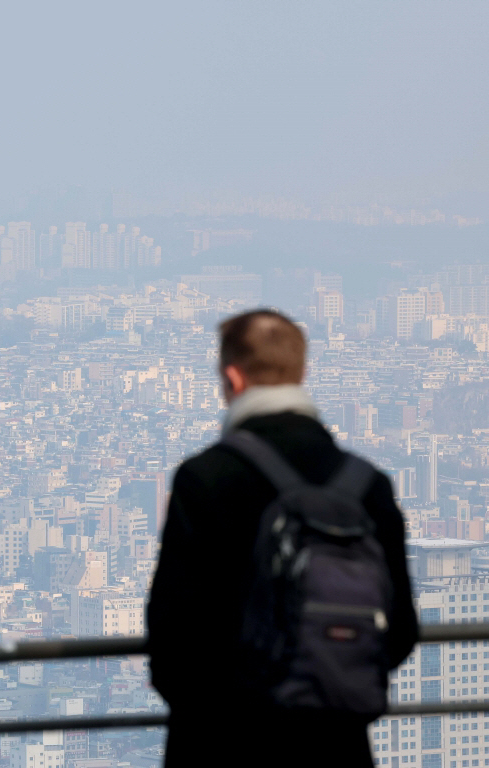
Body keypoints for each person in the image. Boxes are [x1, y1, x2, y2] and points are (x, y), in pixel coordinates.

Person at [146, 309, 417, 767]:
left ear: (232, 378)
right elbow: (401, 632)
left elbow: (173, 639)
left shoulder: (205, 479)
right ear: (302, 372)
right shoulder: (366, 484)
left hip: (223, 743)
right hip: (336, 747)